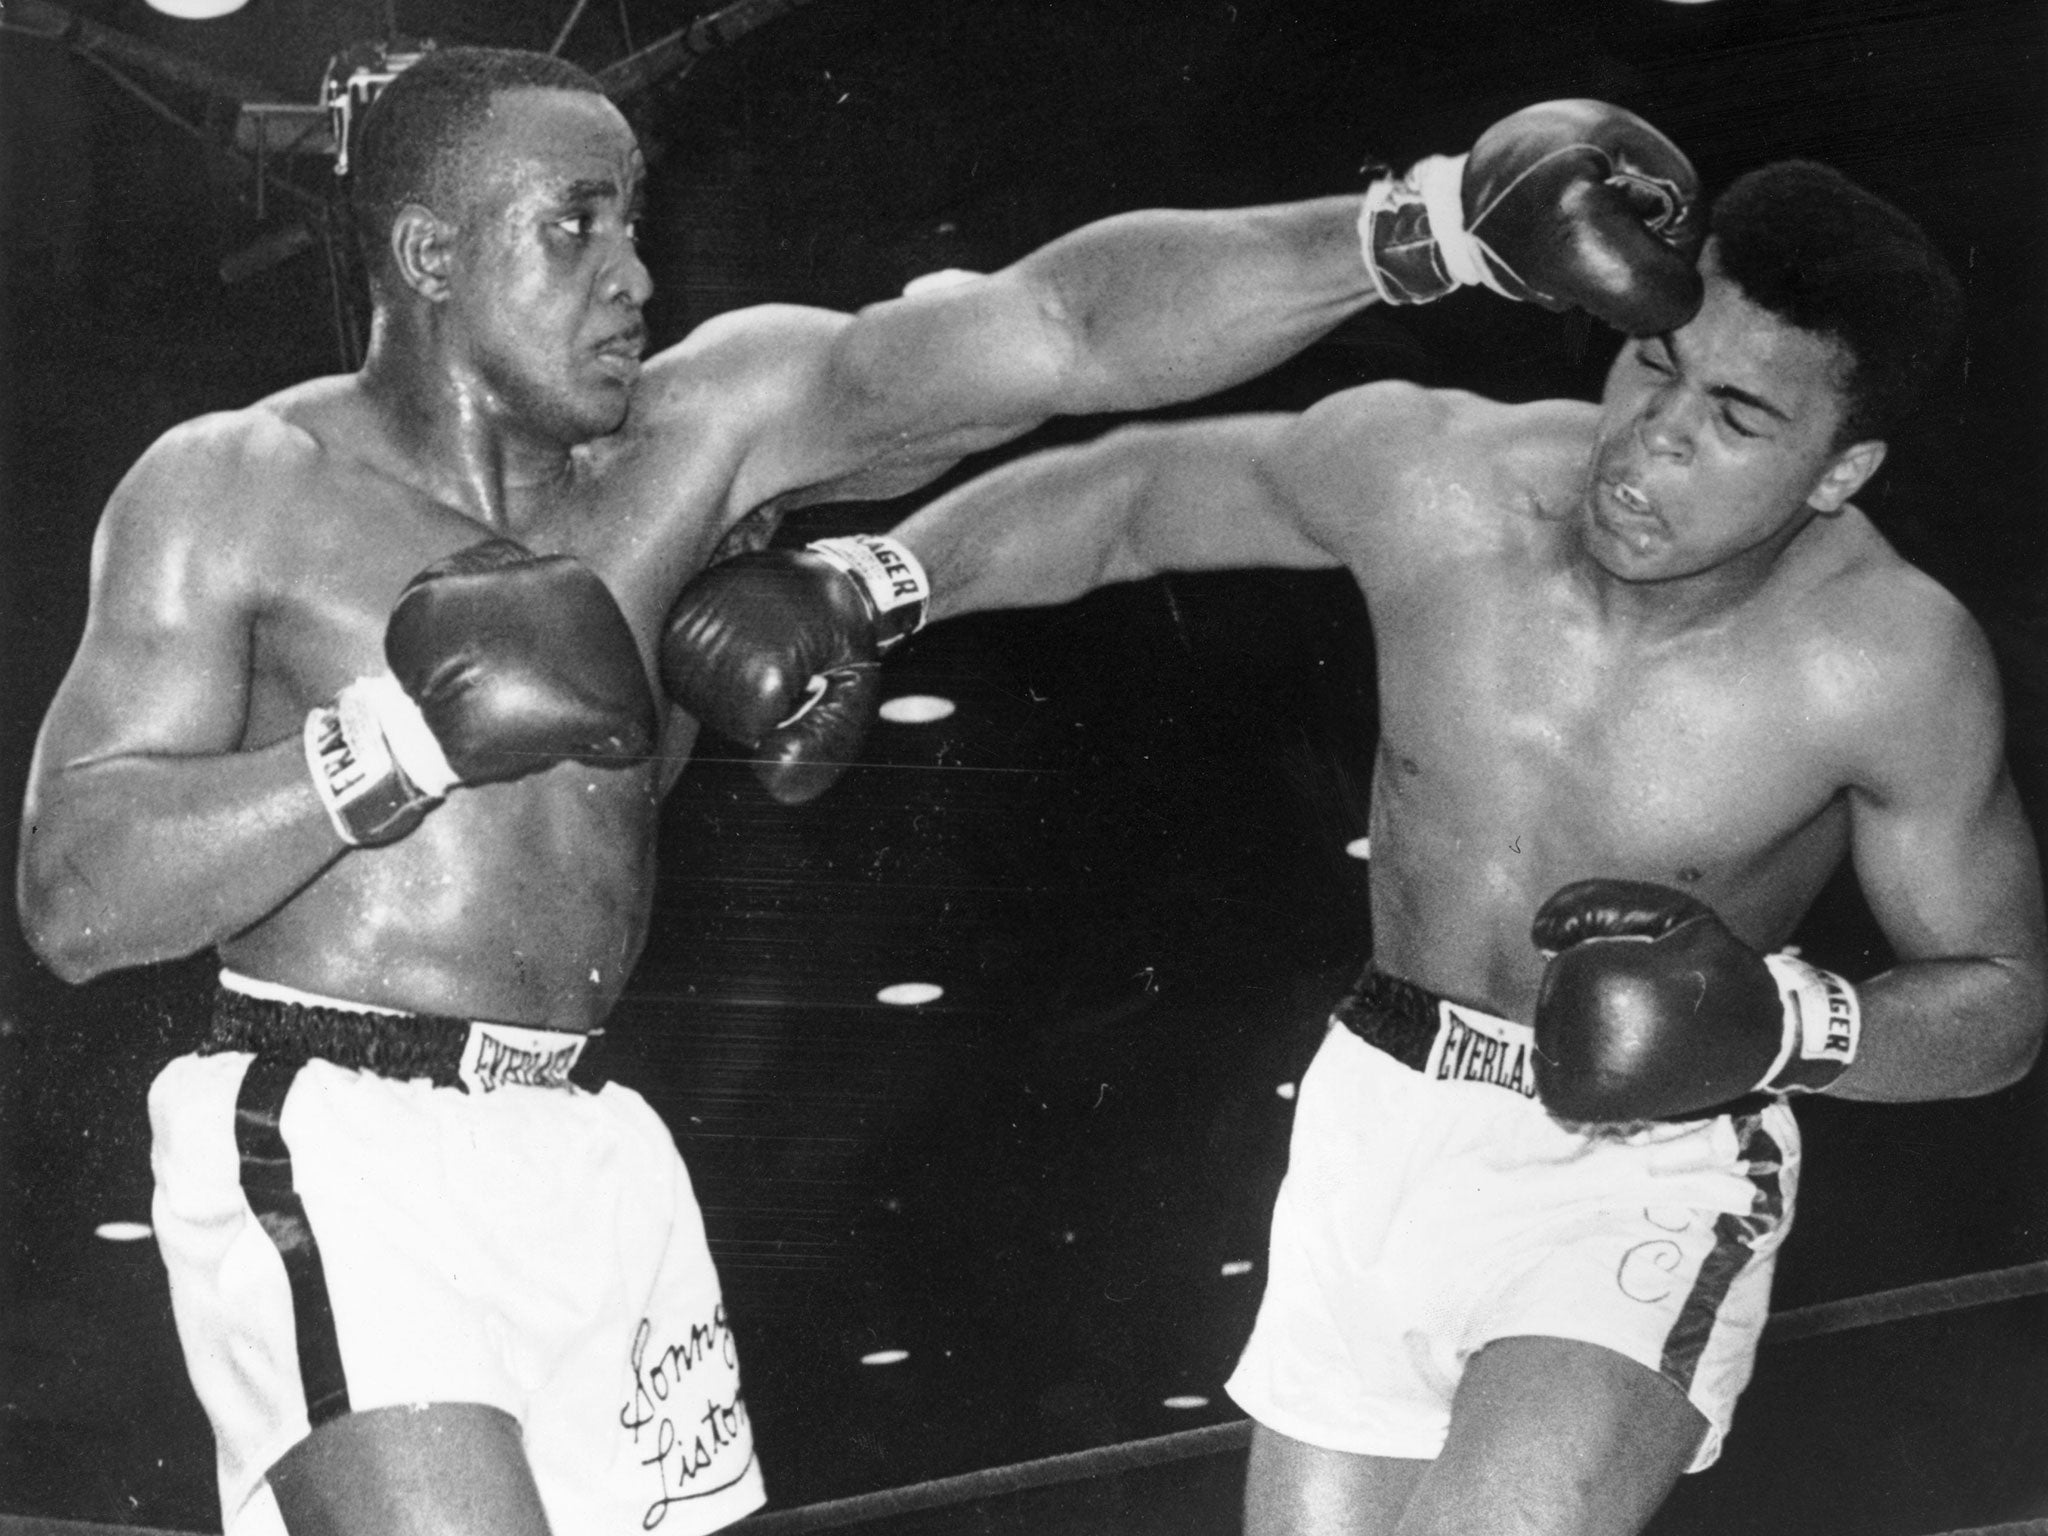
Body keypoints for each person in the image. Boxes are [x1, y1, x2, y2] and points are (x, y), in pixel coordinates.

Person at [13, 39, 1708, 1536]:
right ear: (428, 254)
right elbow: (78, 896)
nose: (633, 277)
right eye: (575, 227)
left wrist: (1419, 230)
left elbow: (1054, 328)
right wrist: (401, 737)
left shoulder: (704, 430)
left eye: (635, 220)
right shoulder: (243, 487)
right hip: (334, 1125)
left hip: (587, 1144)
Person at [663, 160, 2048, 1535]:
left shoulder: (1886, 661)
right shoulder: (1450, 482)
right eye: (1653, 364)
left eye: (1739, 415)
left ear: (1841, 466)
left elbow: (2001, 996)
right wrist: (870, 583)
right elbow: (1136, 497)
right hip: (1380, 1108)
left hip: (1644, 1166)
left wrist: (1783, 1027)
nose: (1655, 436)